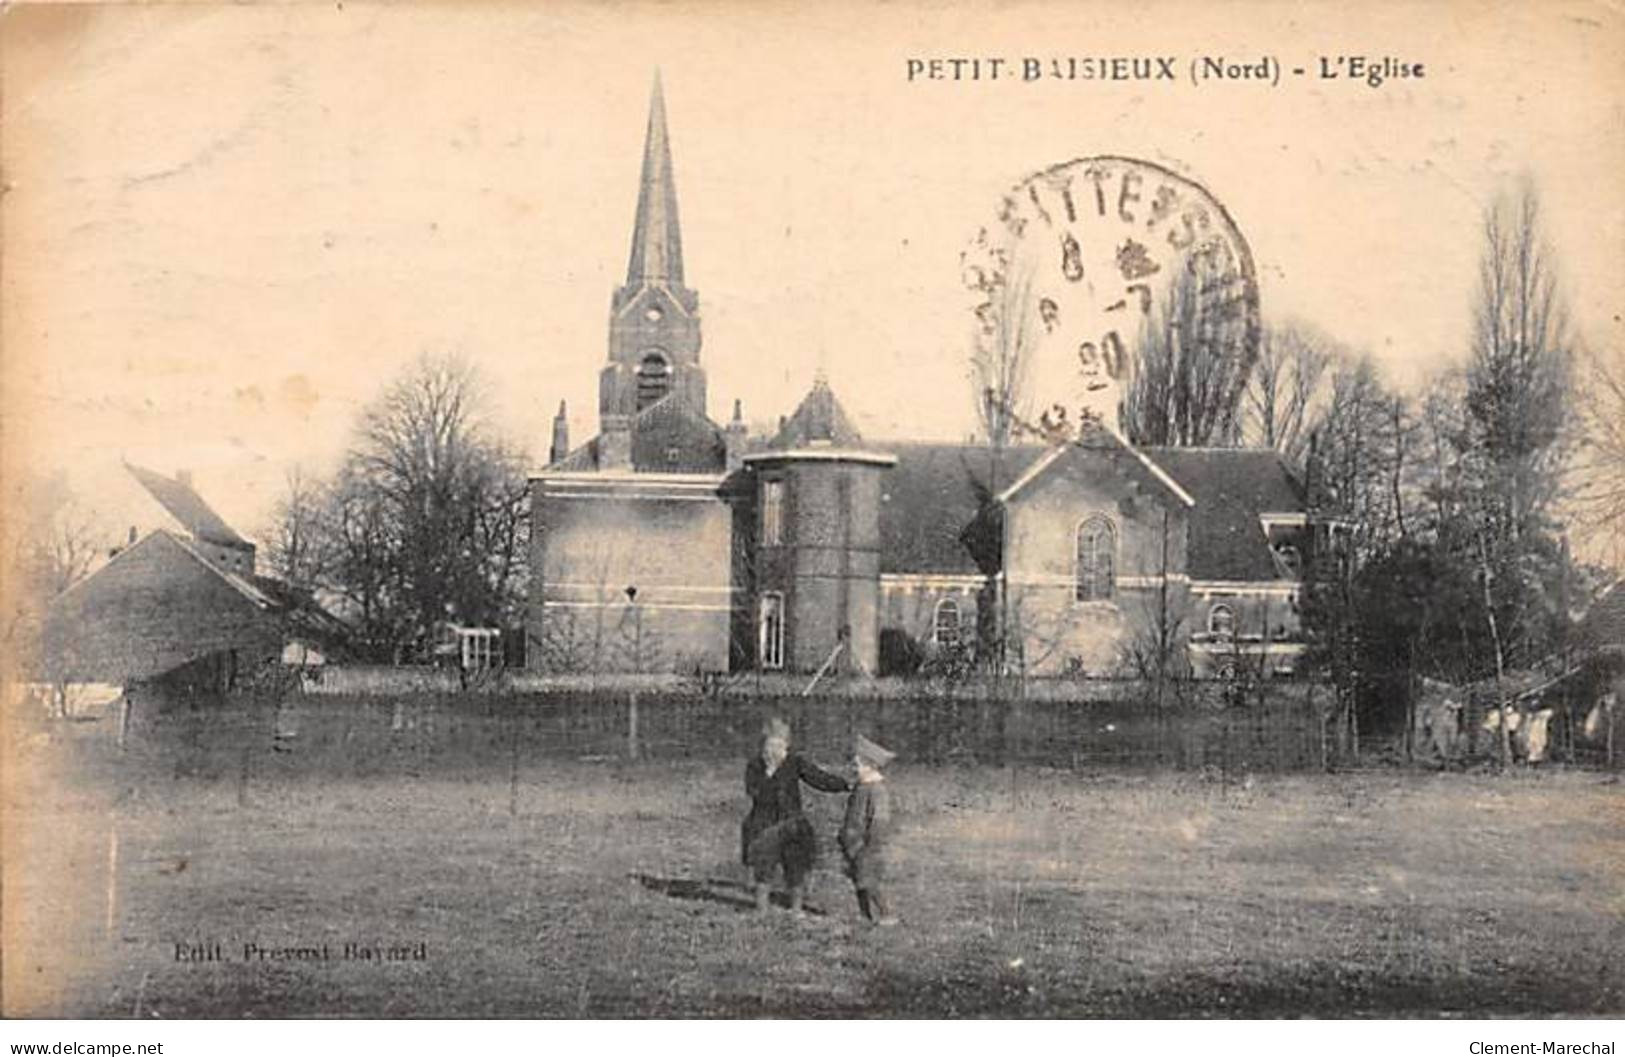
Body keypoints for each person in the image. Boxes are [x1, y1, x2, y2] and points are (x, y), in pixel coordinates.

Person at [741, 716, 850, 913]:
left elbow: (818, 778)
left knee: (796, 866)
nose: (774, 751)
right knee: (764, 868)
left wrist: (844, 784)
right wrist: (770, 772)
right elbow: (754, 792)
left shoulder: (795, 762)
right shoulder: (755, 766)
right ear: (763, 746)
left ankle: (796, 909)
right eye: (769, 745)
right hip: (764, 823)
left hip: (792, 822)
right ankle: (762, 910)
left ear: (787, 746)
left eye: (779, 745)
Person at [838, 734, 897, 926]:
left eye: (858, 765)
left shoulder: (877, 790)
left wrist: (871, 845)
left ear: (871, 765)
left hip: (867, 844)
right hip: (853, 842)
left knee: (868, 879)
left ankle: (888, 913)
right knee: (857, 879)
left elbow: (879, 820)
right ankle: (864, 914)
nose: (854, 768)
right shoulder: (860, 787)